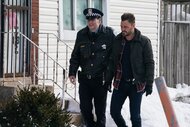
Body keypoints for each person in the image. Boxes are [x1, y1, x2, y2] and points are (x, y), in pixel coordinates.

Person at [105, 13, 155, 127]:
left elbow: (149, 63)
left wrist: (149, 83)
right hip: (120, 83)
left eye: (126, 27)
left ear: (133, 25)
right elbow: (112, 62)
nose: (123, 29)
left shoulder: (143, 42)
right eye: (121, 26)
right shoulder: (118, 41)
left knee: (135, 116)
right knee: (114, 112)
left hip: (136, 84)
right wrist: (108, 80)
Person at [69, 8, 115, 127]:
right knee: (85, 110)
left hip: (101, 80)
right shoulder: (81, 35)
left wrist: (110, 76)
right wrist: (72, 72)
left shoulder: (109, 34)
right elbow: (75, 56)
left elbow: (115, 57)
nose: (90, 22)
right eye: (88, 20)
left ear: (99, 20)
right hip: (85, 80)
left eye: (93, 19)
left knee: (100, 112)